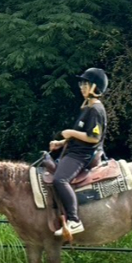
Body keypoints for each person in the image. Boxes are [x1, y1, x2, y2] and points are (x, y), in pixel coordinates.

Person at [47, 67, 109, 236]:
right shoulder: (87, 108)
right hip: (75, 151)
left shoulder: (96, 110)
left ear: (95, 87)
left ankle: (74, 220)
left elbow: (94, 138)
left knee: (60, 179)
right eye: (81, 84)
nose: (82, 87)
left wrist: (71, 133)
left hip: (82, 155)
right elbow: (81, 135)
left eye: (85, 84)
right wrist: (61, 142)